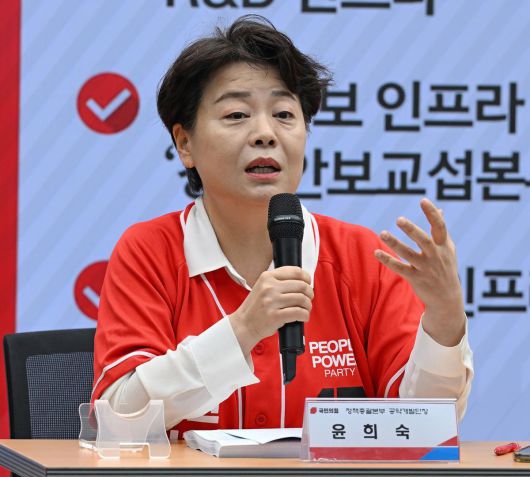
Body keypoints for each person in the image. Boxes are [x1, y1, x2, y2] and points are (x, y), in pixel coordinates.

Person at [92, 15, 473, 436]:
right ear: (185, 143)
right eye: (236, 114)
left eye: (284, 114)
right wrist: (244, 329)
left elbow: (424, 429)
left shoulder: (363, 259)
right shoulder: (150, 250)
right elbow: (118, 422)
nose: (265, 134)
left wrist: (445, 318)